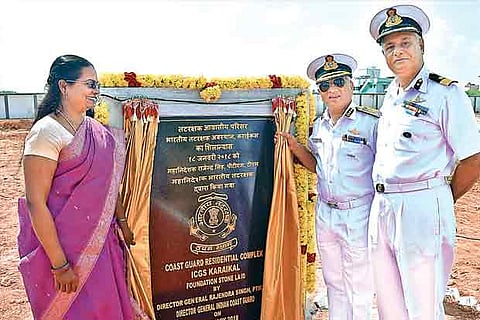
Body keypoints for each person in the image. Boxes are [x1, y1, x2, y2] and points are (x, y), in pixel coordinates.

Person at [369, 5, 480, 319]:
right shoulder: (390, 94)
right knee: (389, 302)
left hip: (421, 205)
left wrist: (440, 197)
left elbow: (473, 158)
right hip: (384, 206)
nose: (397, 51)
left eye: (405, 43)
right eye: (389, 46)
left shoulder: (444, 93)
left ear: (422, 46)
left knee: (422, 305)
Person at [17, 54, 146, 319]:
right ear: (64, 86)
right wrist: (59, 264)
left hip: (102, 245)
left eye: (97, 85)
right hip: (63, 250)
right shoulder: (47, 132)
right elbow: (35, 202)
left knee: (106, 307)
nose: (96, 92)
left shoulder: (96, 131)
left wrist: (121, 221)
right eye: (89, 84)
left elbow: (109, 184)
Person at [279, 53, 379, 319]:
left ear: (351, 85)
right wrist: (296, 147)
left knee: (359, 284)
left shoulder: (370, 123)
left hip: (359, 212)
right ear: (319, 92)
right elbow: (318, 166)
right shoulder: (318, 127)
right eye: (324, 85)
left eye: (338, 82)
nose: (332, 90)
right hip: (326, 212)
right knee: (333, 280)